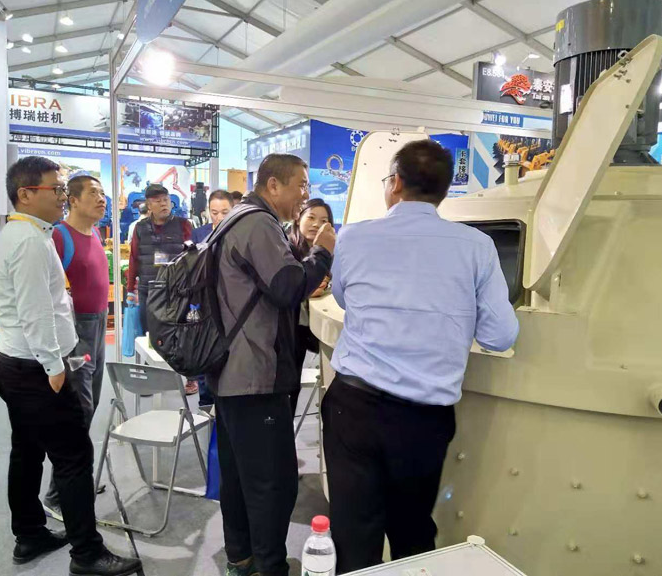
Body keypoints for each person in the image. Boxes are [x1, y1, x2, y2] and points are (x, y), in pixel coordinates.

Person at [322, 140, 519, 574]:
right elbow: (500, 335)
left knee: (353, 534)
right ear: (445, 190)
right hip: (423, 419)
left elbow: (343, 298)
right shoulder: (477, 246)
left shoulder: (354, 236)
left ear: (394, 183)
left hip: (354, 408)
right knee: (412, 532)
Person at [0, 156, 141, 576]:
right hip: (35, 366)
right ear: (25, 194)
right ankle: (87, 553)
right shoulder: (32, 242)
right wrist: (56, 368)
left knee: (27, 449)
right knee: (74, 456)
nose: (61, 196)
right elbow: (37, 312)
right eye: (54, 189)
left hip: (14, 360)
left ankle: (30, 533)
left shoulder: (23, 233)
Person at [212, 154, 334, 576]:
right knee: (271, 483)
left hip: (231, 371)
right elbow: (286, 286)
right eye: (301, 185)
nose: (304, 194)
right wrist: (323, 254)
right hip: (253, 375)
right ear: (273, 185)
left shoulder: (236, 219)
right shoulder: (258, 223)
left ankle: (241, 558)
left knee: (239, 477)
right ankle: (269, 567)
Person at [42, 175, 109, 519]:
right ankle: (58, 495)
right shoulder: (60, 236)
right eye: (93, 193)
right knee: (78, 411)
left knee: (91, 404)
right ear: (73, 200)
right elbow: (46, 290)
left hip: (98, 326)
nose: (102, 199)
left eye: (102, 193)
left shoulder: (94, 232)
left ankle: (77, 478)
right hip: (76, 331)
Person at [127, 183, 196, 393]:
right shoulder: (140, 228)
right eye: (158, 201)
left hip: (177, 289)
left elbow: (194, 256)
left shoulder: (184, 225)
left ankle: (190, 377)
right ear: (149, 205)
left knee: (182, 332)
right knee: (149, 334)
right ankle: (149, 378)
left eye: (166, 200)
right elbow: (134, 258)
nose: (164, 204)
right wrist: (130, 289)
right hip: (148, 288)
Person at [287, 199, 334, 415]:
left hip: (312, 329)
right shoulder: (287, 248)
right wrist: (306, 290)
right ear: (299, 218)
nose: (316, 224)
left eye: (324, 221)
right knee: (289, 388)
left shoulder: (328, 252)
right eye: (311, 218)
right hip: (290, 332)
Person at [190, 189, 235, 407]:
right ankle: (205, 406)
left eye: (224, 212)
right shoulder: (199, 234)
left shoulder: (239, 233)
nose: (219, 217)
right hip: (204, 302)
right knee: (205, 355)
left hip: (232, 304)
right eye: (214, 212)